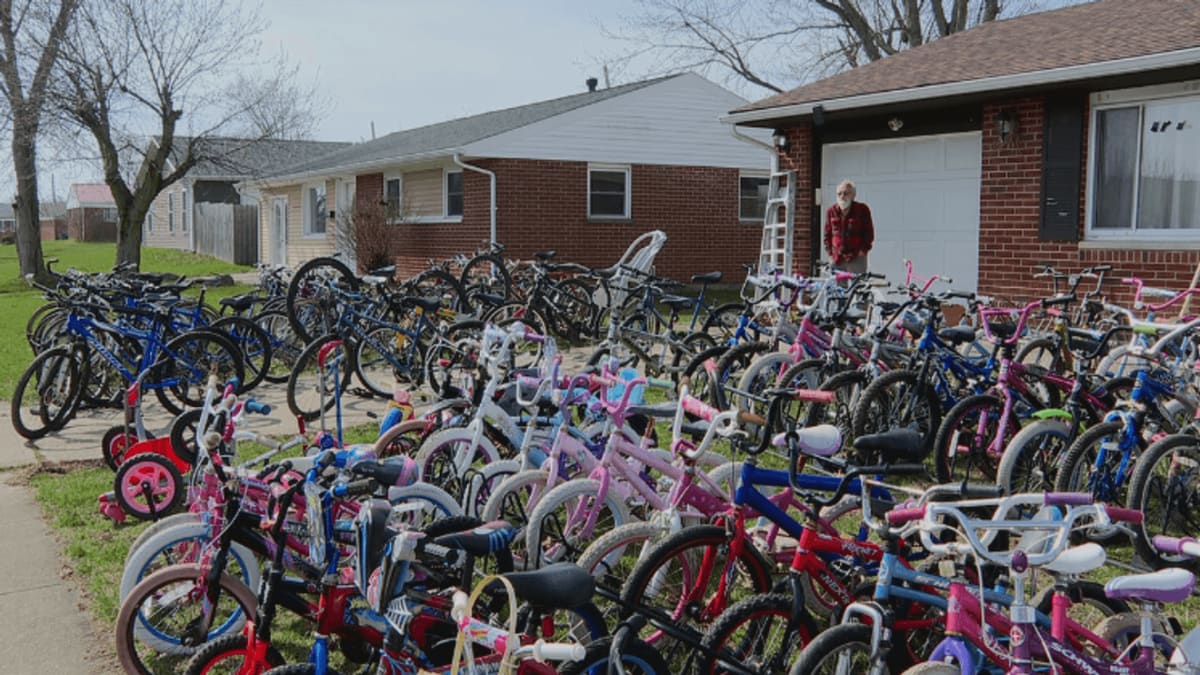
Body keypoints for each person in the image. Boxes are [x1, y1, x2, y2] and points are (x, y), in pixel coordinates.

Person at [824, 179, 874, 274]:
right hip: (837, 258)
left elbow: (869, 233)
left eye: (846, 193)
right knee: (838, 288)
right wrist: (830, 253)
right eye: (839, 194)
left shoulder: (862, 209)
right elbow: (827, 234)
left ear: (853, 195)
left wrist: (863, 250)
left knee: (858, 287)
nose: (842, 196)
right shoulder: (831, 211)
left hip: (856, 257)